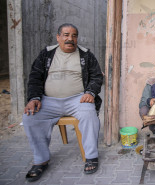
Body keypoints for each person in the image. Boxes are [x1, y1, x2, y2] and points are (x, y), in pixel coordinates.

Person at [23, 23, 103, 182]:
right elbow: (35, 77)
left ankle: (91, 156)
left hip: (77, 99)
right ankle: (41, 160)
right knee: (30, 117)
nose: (70, 39)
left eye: (73, 36)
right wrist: (33, 98)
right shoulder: (46, 54)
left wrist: (90, 92)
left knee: (89, 114)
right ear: (58, 37)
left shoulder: (86, 55)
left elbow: (96, 76)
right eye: (66, 35)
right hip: (48, 101)